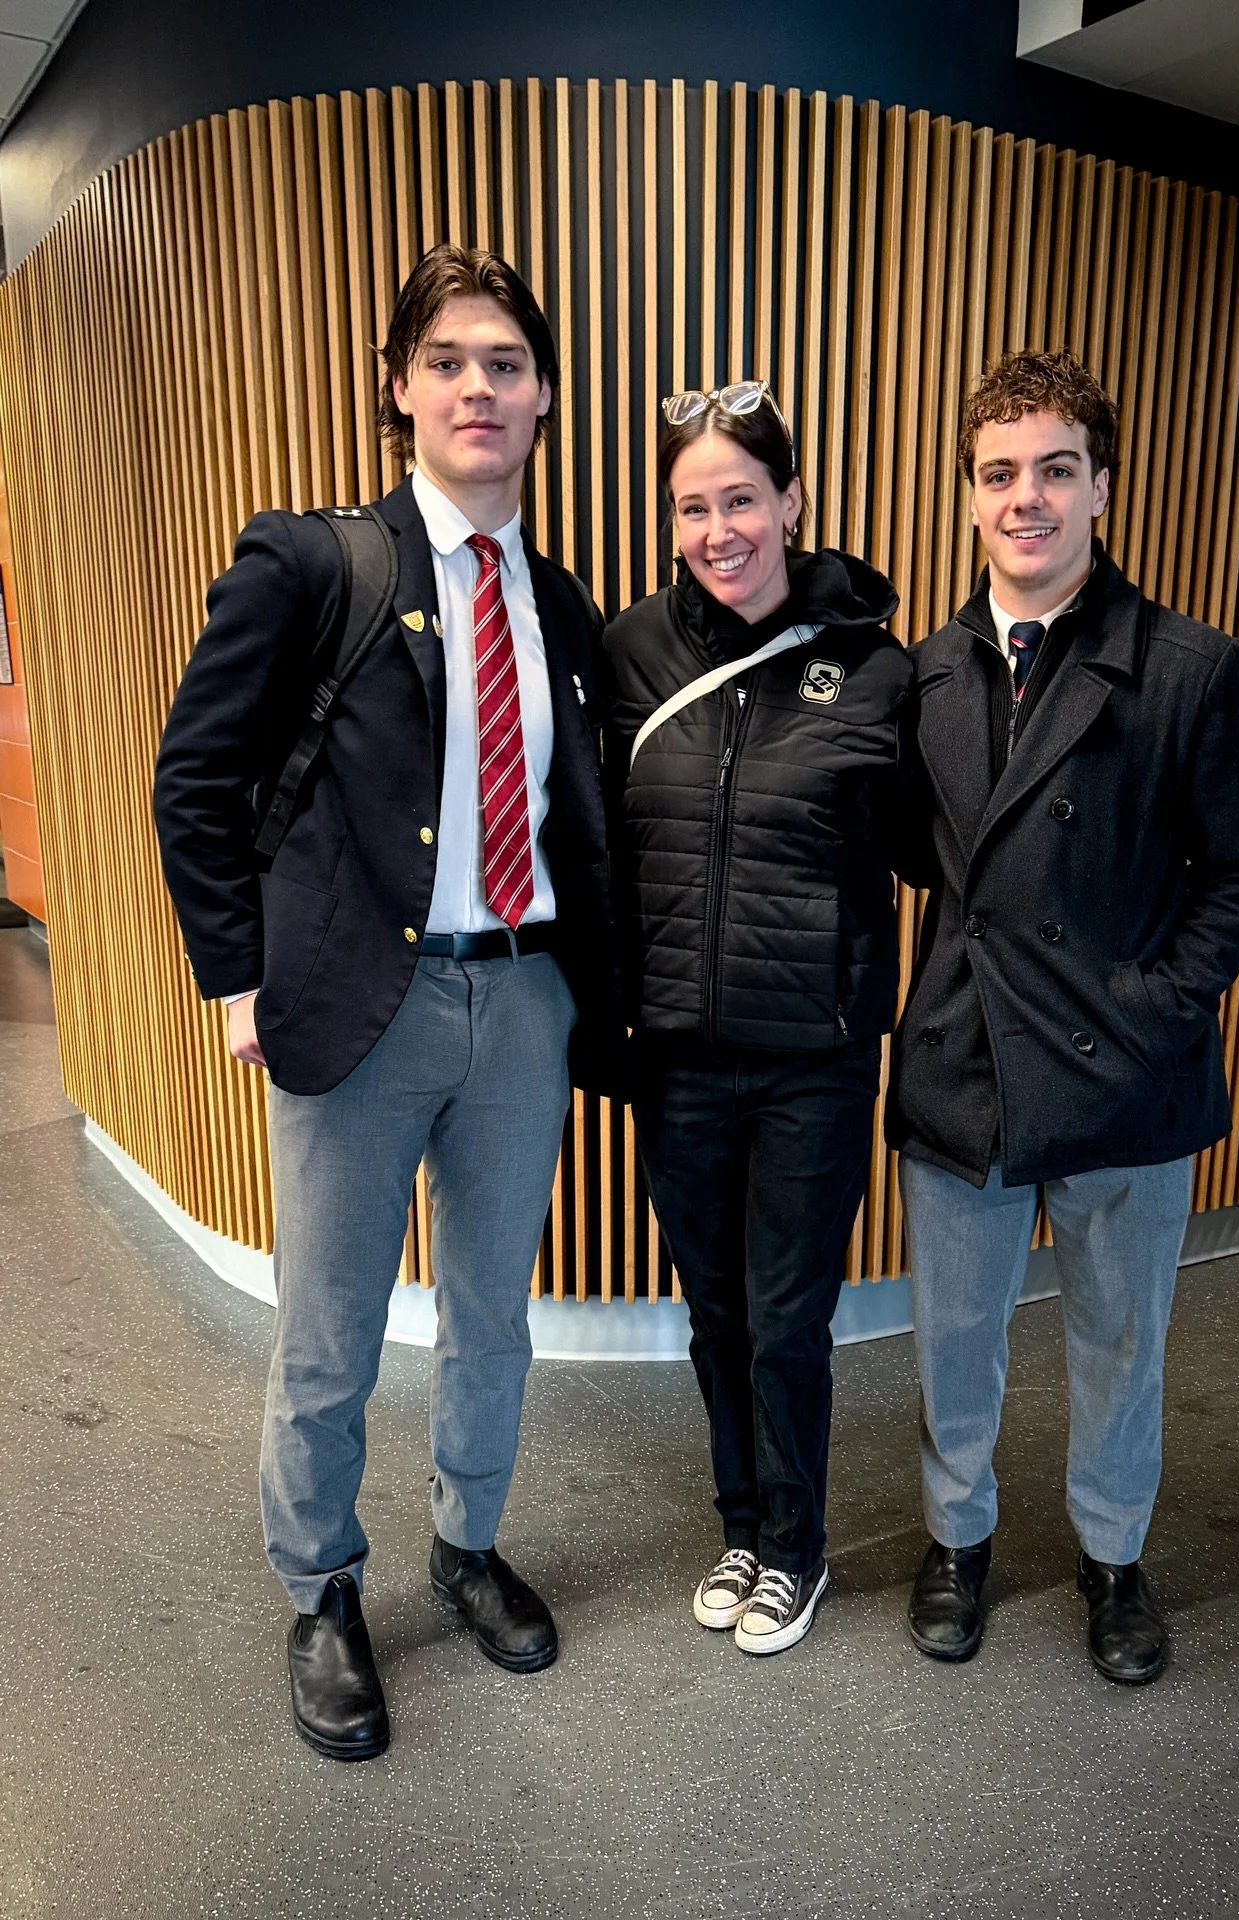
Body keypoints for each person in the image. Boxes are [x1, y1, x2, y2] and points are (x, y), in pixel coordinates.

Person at [153, 244, 619, 1759]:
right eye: (448, 360)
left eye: (506, 362)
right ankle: (323, 1591)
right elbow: (194, 778)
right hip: (357, 1005)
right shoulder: (312, 562)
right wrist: (236, 971)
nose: (478, 386)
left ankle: (466, 1548)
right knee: (329, 1328)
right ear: (399, 390)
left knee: (495, 1315)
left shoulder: (560, 599)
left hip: (523, 1002)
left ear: (544, 397)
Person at [888, 349, 1239, 1684]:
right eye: (1000, 473)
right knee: (956, 1336)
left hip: (1129, 1072)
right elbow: (906, 846)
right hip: (969, 1059)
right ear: (968, 498)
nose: (1028, 498)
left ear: (1102, 486)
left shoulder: (1187, 669)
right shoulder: (928, 672)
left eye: (1057, 469)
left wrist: (1160, 1009)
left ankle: (1114, 1558)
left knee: (1121, 1338)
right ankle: (957, 1541)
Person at [603, 381, 917, 1654]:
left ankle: (796, 1546)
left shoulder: (877, 664)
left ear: (792, 502)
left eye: (742, 498)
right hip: (681, 1055)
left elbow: (921, 847)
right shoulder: (632, 652)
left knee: (787, 1315)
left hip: (815, 1061)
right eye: (693, 505)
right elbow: (598, 842)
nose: (719, 527)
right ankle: (741, 1525)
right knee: (714, 1309)